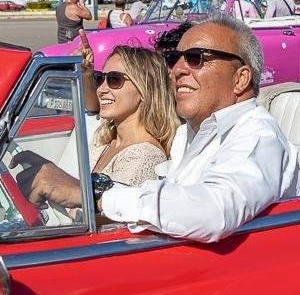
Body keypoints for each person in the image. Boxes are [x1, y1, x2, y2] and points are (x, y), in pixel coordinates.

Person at [25, 14, 298, 242]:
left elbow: (213, 212)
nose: (176, 69)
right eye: (174, 59)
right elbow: (95, 112)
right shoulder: (190, 134)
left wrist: (90, 195)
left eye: (195, 58)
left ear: (240, 79)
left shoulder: (257, 134)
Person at [12, 44, 177, 206]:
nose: (101, 89)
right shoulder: (107, 139)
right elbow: (93, 106)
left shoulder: (144, 156)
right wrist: (85, 74)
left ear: (144, 89)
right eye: (100, 79)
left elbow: (113, 217)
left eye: (114, 79)